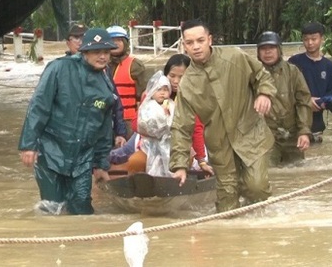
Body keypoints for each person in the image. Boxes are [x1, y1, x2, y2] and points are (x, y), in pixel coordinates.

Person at [169, 19, 277, 212]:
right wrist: (180, 165)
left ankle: (262, 233)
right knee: (227, 202)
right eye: (190, 43)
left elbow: (262, 75)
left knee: (256, 187)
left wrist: (264, 94)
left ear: (209, 39)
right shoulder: (187, 84)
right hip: (220, 145)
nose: (196, 47)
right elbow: (181, 126)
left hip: (250, 134)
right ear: (184, 46)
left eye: (200, 40)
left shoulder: (235, 57)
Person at [18, 28, 118, 215]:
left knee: (82, 209)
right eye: (97, 52)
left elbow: (104, 130)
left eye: (106, 52)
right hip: (51, 151)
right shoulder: (59, 68)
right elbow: (39, 106)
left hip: (82, 158)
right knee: (52, 208)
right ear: (84, 51)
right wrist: (28, 145)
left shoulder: (106, 85)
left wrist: (101, 165)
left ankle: (79, 242)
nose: (102, 56)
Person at [108, 54, 212, 175]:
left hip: (178, 145)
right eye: (172, 76)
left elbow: (197, 129)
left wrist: (201, 160)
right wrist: (155, 129)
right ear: (165, 74)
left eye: (182, 77)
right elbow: (136, 124)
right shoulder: (151, 95)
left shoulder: (193, 99)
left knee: (183, 162)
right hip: (148, 141)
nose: (176, 81)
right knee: (132, 160)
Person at [66, 24, 128, 148]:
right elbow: (42, 106)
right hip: (71, 139)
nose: (102, 56)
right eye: (76, 38)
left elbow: (115, 101)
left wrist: (120, 132)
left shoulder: (104, 71)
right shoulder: (61, 70)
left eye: (105, 52)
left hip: (101, 137)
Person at [256, 31, 312, 166]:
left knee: (297, 173)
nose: (267, 52)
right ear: (258, 52)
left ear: (279, 50)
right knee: (268, 173)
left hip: (292, 135)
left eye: (272, 48)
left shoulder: (293, 72)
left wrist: (304, 132)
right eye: (263, 49)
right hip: (265, 136)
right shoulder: (252, 73)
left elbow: (303, 102)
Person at [288, 22, 332, 143]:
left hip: (317, 125)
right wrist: (306, 101)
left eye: (314, 39)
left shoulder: (329, 66)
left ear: (322, 39)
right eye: (306, 39)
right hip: (296, 124)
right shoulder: (294, 62)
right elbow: (287, 90)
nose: (310, 43)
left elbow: (329, 94)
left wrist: (322, 103)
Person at [107, 25, 151, 138]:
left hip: (128, 121)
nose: (115, 43)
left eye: (119, 40)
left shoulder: (135, 66)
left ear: (125, 43)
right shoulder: (100, 65)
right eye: (112, 40)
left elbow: (145, 95)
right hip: (105, 120)